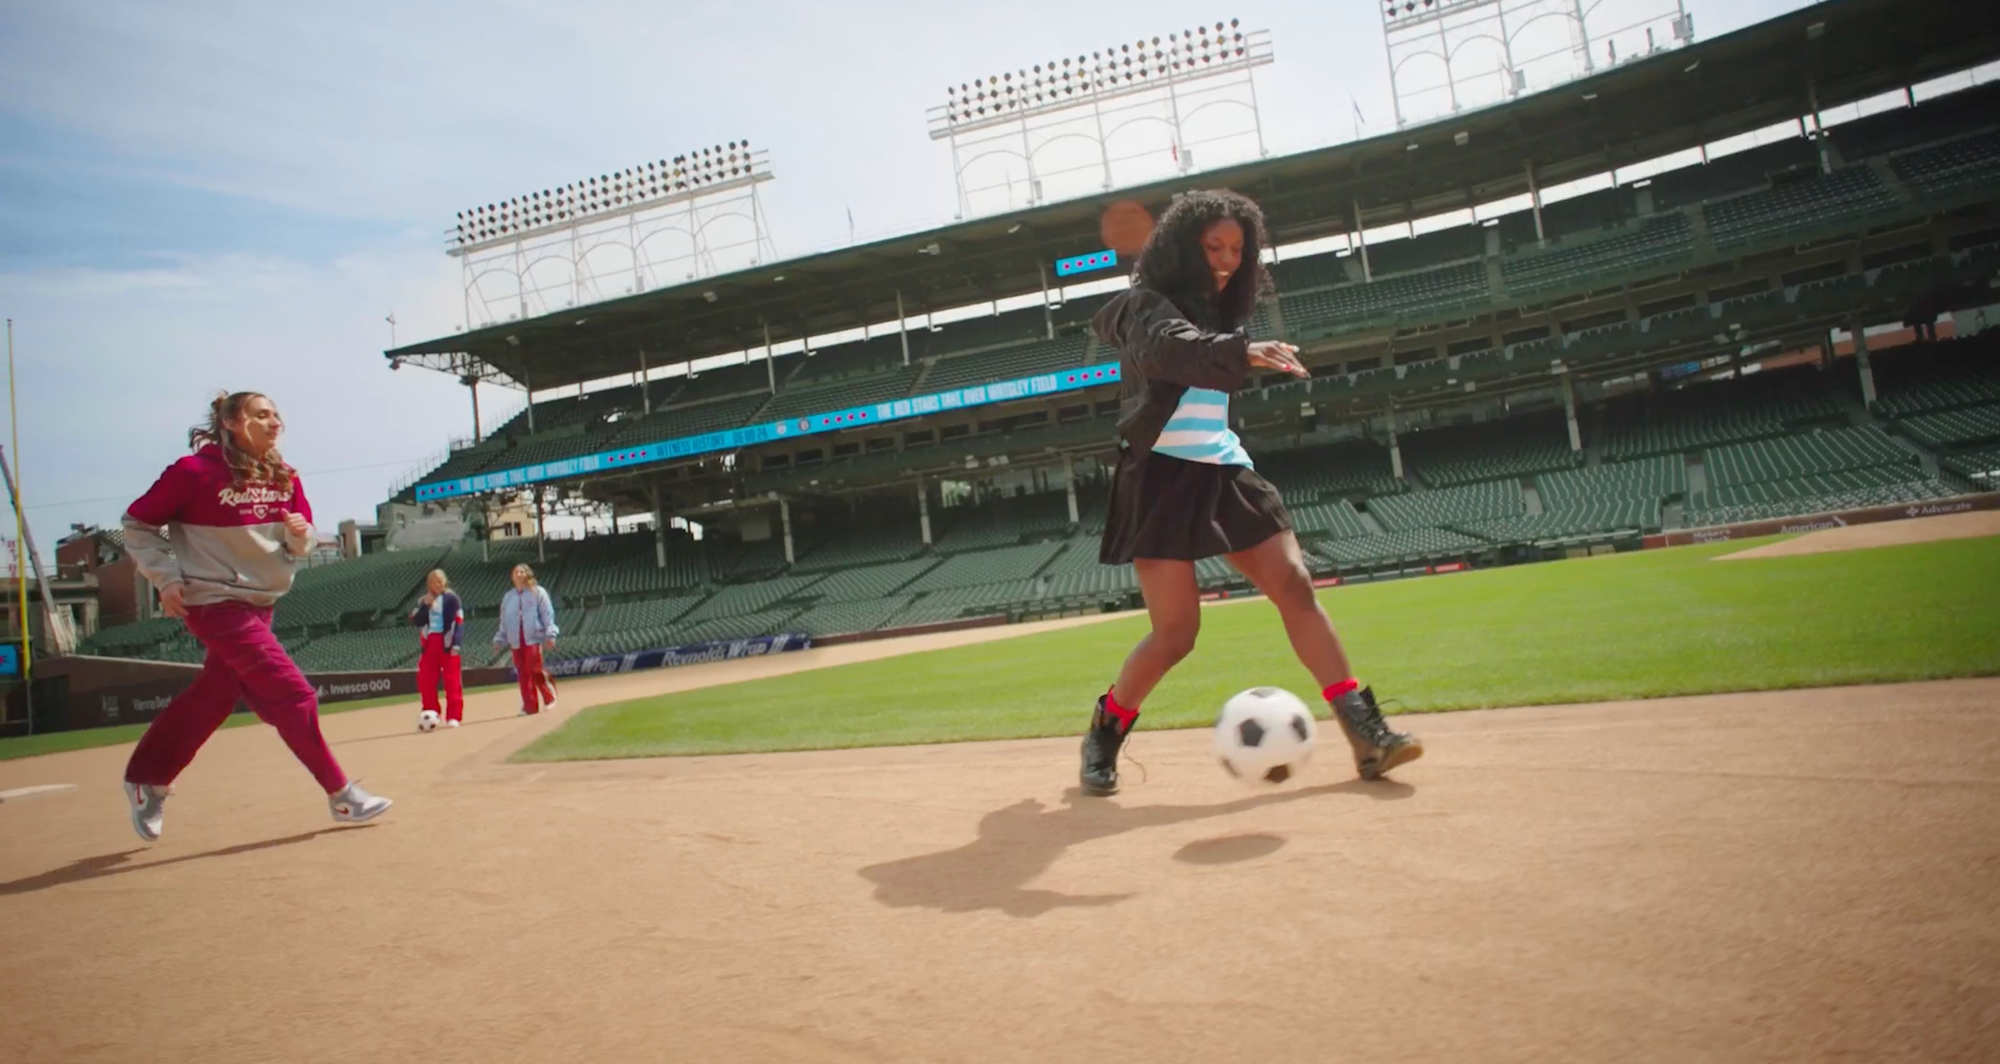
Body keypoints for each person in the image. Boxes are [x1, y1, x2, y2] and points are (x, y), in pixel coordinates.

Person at [1079, 189, 1424, 796]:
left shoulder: (1223, 313)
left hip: (1224, 468)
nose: (1226, 259)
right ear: (1182, 245)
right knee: (1176, 635)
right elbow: (1168, 351)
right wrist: (1246, 351)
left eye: (1238, 248)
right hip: (1160, 476)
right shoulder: (1142, 305)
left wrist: (1239, 343)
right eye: (1213, 246)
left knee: (1294, 585)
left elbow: (1206, 359)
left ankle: (1366, 733)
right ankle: (1106, 729)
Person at [119, 391, 393, 841]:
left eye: (276, 415)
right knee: (293, 694)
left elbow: (297, 544)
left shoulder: (284, 476)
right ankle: (341, 795)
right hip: (212, 602)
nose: (274, 422)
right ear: (230, 422)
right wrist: (165, 578)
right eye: (261, 414)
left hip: (261, 603)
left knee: (214, 696)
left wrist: (300, 537)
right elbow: (137, 524)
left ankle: (146, 779)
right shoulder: (191, 472)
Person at [494, 563, 559, 715]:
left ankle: (549, 697)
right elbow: (504, 619)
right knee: (522, 673)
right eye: (516, 571)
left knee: (534, 669)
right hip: (516, 639)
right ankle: (529, 705)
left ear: (528, 574)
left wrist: (550, 633)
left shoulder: (537, 592)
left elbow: (547, 613)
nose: (518, 574)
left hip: (533, 637)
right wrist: (499, 638)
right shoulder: (509, 597)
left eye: (522, 571)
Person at [409, 568, 465, 728]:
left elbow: (459, 623)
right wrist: (426, 606)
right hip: (430, 645)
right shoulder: (422, 601)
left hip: (447, 642)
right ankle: (431, 712)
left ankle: (454, 716)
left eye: (440, 581)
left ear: (445, 582)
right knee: (425, 680)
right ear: (429, 584)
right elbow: (417, 621)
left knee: (452, 681)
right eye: (433, 582)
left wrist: (456, 644)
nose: (437, 584)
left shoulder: (453, 599)